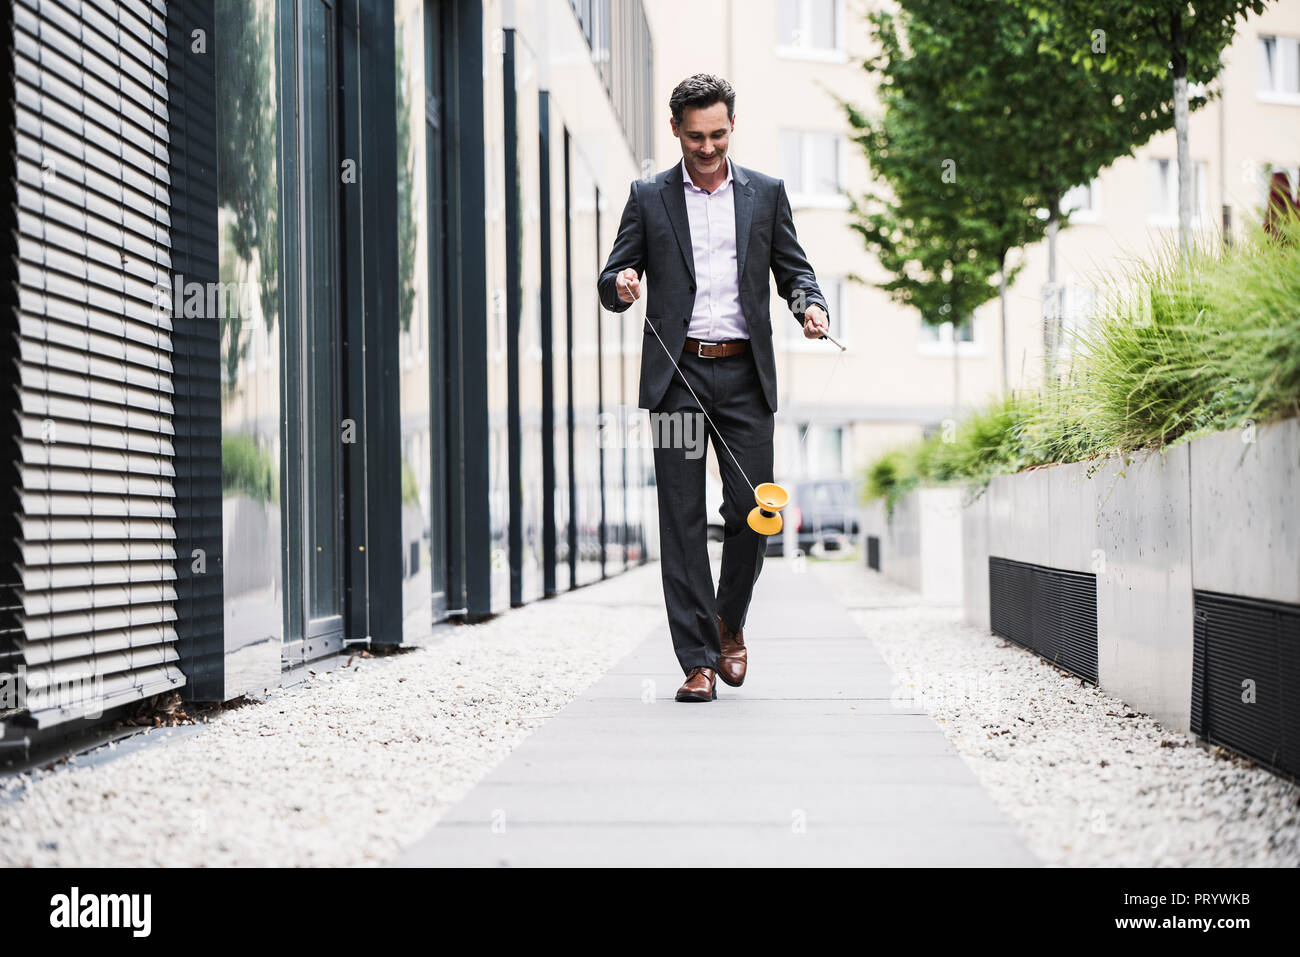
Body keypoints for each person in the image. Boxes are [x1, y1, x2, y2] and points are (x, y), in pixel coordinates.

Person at [597, 73, 831, 703]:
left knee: (756, 510)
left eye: (719, 135)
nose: (708, 147)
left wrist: (811, 307)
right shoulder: (649, 198)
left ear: (733, 127)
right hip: (678, 380)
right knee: (680, 517)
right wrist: (620, 283)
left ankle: (728, 620)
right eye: (696, 136)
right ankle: (697, 659)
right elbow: (614, 273)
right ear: (675, 129)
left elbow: (794, 270)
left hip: (743, 380)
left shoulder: (765, 193)